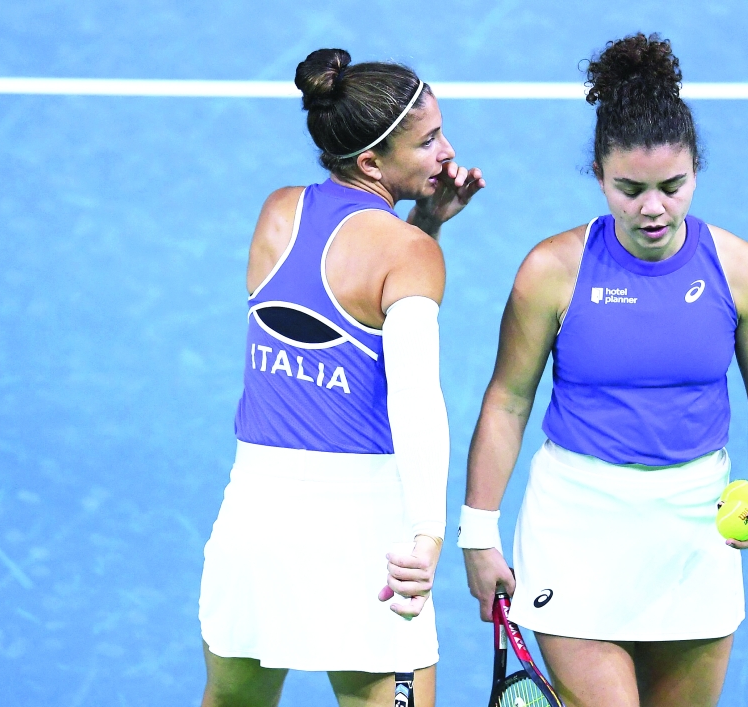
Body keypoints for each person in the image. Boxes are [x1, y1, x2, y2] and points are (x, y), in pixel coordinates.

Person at [458, 33, 748, 707]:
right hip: (577, 526)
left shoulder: (746, 272)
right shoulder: (552, 271)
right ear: (598, 172)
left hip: (695, 527)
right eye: (630, 188)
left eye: (672, 187)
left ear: (696, 170)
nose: (653, 208)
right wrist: (478, 533)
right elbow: (506, 402)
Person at [198, 48, 484, 707]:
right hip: (362, 531)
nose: (447, 154)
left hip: (253, 521)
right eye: (429, 140)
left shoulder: (277, 211)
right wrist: (427, 535)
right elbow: (414, 400)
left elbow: (347, 297)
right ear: (371, 163)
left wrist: (427, 222)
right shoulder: (408, 254)